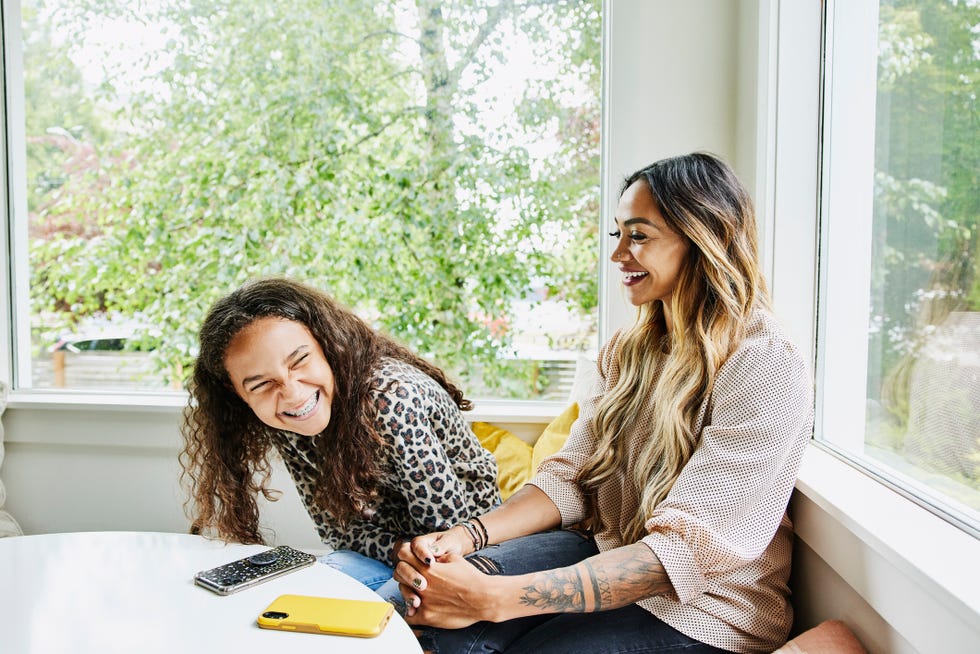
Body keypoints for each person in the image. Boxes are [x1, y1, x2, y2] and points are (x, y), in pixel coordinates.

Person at [393, 152, 814, 654]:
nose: (618, 255)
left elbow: (685, 553)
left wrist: (497, 598)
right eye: (618, 234)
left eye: (639, 235)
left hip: (711, 611)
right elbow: (569, 477)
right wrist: (463, 538)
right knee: (417, 613)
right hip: (608, 549)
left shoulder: (765, 363)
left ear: (703, 238)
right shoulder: (626, 351)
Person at [179, 277, 500, 602]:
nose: (291, 394)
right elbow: (337, 531)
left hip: (476, 551)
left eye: (299, 360)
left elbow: (448, 535)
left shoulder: (389, 399)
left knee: (369, 615)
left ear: (327, 345)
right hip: (392, 554)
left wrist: (402, 552)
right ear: (238, 396)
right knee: (287, 596)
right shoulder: (285, 421)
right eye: (261, 384)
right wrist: (396, 548)